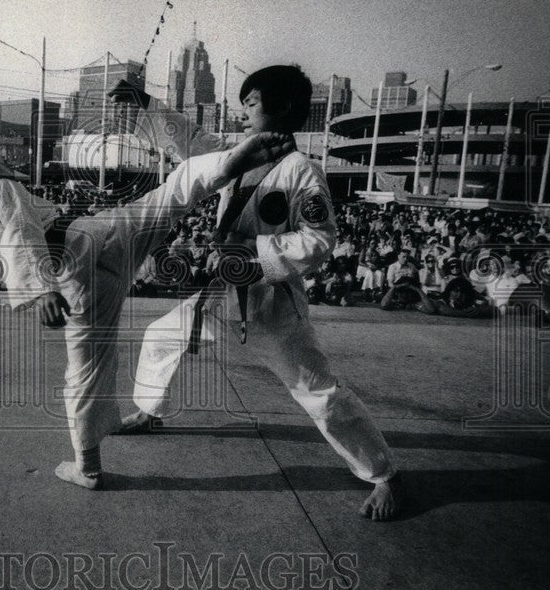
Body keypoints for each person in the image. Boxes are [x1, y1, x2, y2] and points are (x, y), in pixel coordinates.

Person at [0, 124, 294, 490]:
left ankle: (88, 467)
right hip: (98, 234)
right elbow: (20, 229)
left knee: (86, 369)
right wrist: (39, 286)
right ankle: (226, 166)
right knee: (171, 195)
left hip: (71, 276)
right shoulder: (0, 189)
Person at [127, 65, 402, 520]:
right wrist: (148, 107)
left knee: (319, 393)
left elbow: (319, 240)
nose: (245, 110)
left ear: (286, 108)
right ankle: (149, 410)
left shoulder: (302, 172)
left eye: (253, 102)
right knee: (160, 336)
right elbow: (191, 141)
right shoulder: (237, 152)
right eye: (245, 102)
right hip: (219, 295)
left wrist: (251, 251)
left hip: (272, 303)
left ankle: (385, 474)